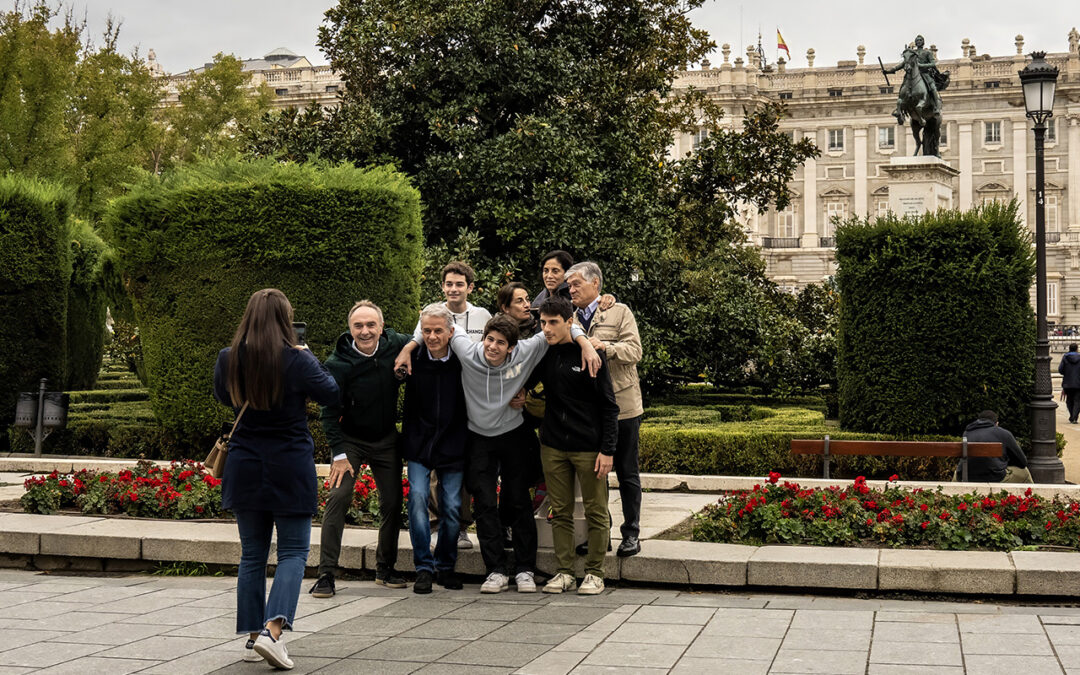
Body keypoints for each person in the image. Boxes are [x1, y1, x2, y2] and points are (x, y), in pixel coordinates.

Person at [397, 314, 601, 593]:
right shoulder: (466, 350)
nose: (492, 347)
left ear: (512, 348)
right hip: (479, 438)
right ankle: (495, 570)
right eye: (489, 340)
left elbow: (562, 324)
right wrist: (409, 347)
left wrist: (585, 343)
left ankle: (525, 569)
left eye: (501, 343)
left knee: (518, 500)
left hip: (513, 434)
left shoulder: (527, 350)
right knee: (484, 503)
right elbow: (435, 324)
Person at [213, 289, 339, 670]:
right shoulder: (296, 360)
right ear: (286, 320)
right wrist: (308, 354)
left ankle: (254, 636)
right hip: (289, 464)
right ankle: (273, 632)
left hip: (244, 465)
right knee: (293, 552)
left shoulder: (228, 358)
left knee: (252, 554)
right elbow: (331, 392)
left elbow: (223, 397)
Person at [311, 300, 411, 599]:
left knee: (392, 501)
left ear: (382, 327)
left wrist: (408, 350)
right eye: (358, 326)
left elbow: (422, 335)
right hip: (350, 440)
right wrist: (339, 454)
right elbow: (328, 412)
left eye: (371, 325)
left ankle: (385, 568)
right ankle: (326, 574)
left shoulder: (395, 343)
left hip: (385, 438)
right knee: (339, 497)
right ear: (350, 329)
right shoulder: (337, 363)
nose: (365, 331)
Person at [529, 296, 619, 595]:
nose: (546, 329)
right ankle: (565, 572)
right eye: (543, 322)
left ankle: (595, 573)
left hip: (588, 447)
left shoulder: (592, 354)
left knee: (596, 511)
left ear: (570, 322)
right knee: (560, 512)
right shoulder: (544, 352)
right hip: (552, 445)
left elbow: (609, 406)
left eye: (553, 322)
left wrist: (607, 450)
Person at [566, 261, 644, 557]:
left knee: (627, 472)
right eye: (569, 286)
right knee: (595, 475)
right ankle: (602, 534)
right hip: (588, 411)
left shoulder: (619, 311)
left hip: (623, 406)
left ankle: (631, 533)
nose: (571, 290)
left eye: (576, 284)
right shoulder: (569, 317)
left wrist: (606, 347)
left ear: (595, 284)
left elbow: (635, 351)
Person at [419, 261, 491, 550]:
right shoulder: (432, 313)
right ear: (442, 287)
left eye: (459, 284)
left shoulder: (483, 315)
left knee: (463, 465)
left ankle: (460, 527)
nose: (453, 289)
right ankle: (437, 524)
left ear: (470, 287)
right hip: (440, 397)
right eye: (449, 284)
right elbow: (417, 340)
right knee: (436, 465)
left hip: (472, 400)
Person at [401, 303, 468, 594]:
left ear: (451, 332)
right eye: (426, 330)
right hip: (420, 443)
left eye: (438, 331)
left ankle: (445, 565)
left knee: (451, 506)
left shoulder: (462, 360)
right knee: (417, 498)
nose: (432, 336)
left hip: (453, 443)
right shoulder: (412, 358)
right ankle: (423, 567)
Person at [958, 410, 1033, 483]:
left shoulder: (967, 433)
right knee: (1024, 472)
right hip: (995, 477)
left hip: (966, 477)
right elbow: (1023, 462)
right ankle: (1032, 492)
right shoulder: (1003, 433)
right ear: (997, 423)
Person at [1059, 344, 1080, 424]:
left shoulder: (1065, 357)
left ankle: (1072, 415)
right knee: (1077, 401)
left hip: (1067, 382)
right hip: (1078, 383)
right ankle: (1074, 417)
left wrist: (1067, 372)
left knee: (1069, 400)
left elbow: (1060, 370)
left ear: (1069, 349)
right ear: (1077, 349)